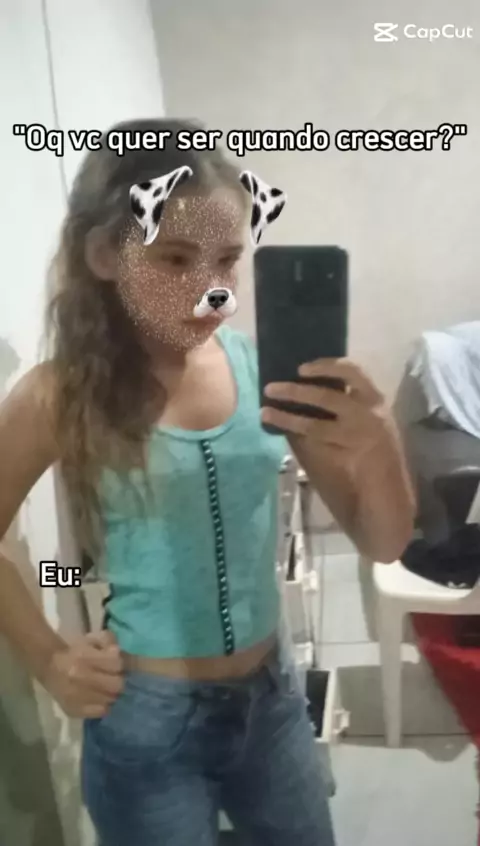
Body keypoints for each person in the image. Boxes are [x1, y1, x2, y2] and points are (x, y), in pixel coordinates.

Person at [0, 118, 415, 846]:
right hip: (145, 718)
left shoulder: (266, 375)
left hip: (272, 702)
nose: (211, 291)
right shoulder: (58, 394)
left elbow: (383, 542)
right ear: (105, 254)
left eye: (228, 259)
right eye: (175, 258)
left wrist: (379, 444)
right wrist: (51, 659)